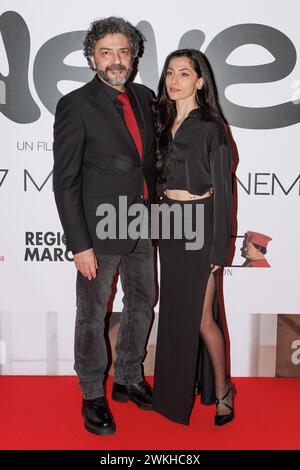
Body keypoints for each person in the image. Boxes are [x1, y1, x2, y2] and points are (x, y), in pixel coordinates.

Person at [53, 17, 156, 436]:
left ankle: (130, 376)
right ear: (92, 56)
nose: (116, 60)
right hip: (98, 230)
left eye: (124, 51)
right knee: (93, 314)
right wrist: (80, 244)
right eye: (107, 51)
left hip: (145, 223)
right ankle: (93, 391)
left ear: (133, 57)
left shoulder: (147, 97)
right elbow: (65, 181)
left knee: (143, 302)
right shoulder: (76, 105)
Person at [152, 49, 235, 426]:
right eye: (170, 72)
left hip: (200, 225)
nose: (174, 80)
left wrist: (220, 246)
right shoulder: (161, 120)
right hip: (169, 223)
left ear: (200, 81)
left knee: (202, 318)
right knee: (171, 313)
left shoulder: (210, 126)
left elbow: (224, 189)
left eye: (184, 74)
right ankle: (171, 395)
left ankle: (223, 392)